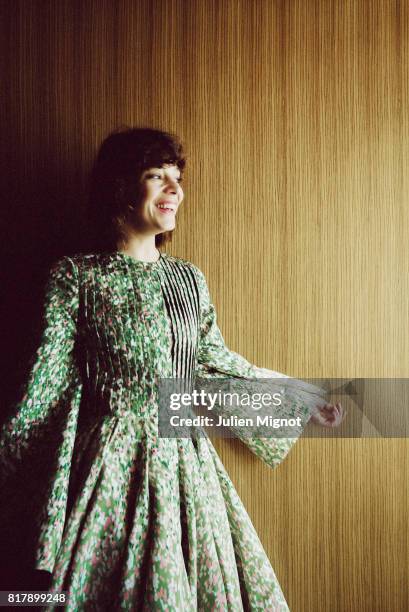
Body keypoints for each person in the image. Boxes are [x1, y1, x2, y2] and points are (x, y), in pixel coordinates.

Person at [0, 127, 344, 611]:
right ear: (119, 187)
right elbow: (44, 387)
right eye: (156, 176)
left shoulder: (189, 280)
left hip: (187, 465)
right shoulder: (75, 277)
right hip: (109, 471)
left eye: (177, 178)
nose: (175, 189)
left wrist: (301, 397)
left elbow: (215, 363)